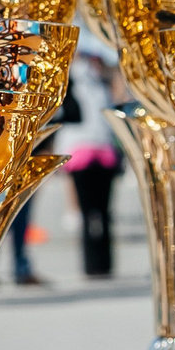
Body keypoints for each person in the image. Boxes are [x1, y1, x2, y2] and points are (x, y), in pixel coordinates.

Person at [63, 42, 123, 279]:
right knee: (89, 213)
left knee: (105, 213)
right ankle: (91, 264)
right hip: (81, 153)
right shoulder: (72, 81)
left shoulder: (103, 83)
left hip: (104, 151)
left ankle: (104, 264)